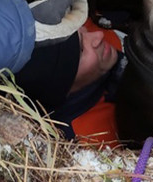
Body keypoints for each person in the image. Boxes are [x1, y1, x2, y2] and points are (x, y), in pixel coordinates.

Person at [15, 16, 126, 147]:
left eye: (81, 31)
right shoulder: (92, 139)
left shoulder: (81, 22)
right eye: (82, 50)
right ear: (65, 89)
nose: (99, 35)